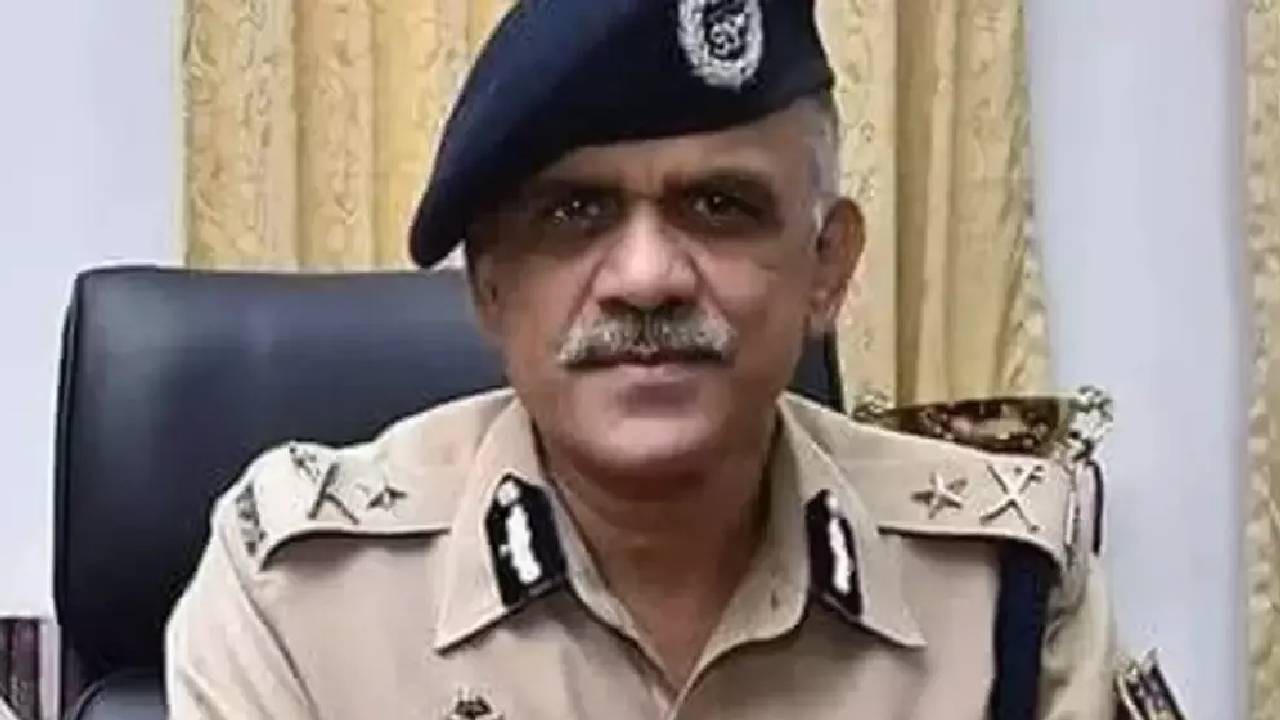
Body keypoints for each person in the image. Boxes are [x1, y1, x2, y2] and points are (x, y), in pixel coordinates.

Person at [165, 1, 1120, 718]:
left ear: (826, 268)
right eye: (575, 212)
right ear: (490, 286)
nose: (647, 279)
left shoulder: (1006, 586)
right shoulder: (300, 594)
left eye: (720, 207)